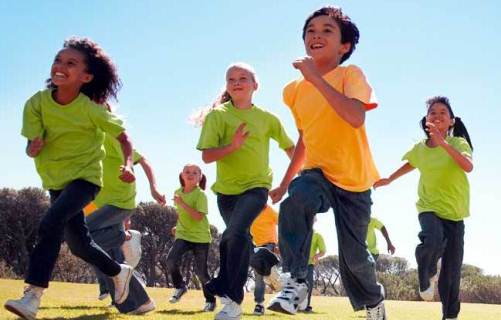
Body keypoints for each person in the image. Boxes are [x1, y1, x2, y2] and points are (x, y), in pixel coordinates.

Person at [267, 6, 387, 319]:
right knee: (297, 199)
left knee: (355, 257)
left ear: (343, 46)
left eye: (327, 30)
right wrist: (283, 182)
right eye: (311, 30)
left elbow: (355, 117)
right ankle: (295, 281)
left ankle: (374, 302)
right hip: (317, 173)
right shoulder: (292, 91)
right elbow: (305, 138)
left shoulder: (350, 74)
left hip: (354, 181)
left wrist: (317, 80)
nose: (316, 35)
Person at [5, 37, 135, 320]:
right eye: (58, 60)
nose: (60, 66)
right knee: (79, 245)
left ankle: (32, 295)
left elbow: (123, 138)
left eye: (71, 63)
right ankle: (118, 272)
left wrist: (129, 165)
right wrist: (32, 147)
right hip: (56, 181)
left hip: (86, 179)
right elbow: (30, 145)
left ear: (86, 77)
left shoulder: (91, 109)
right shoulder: (36, 104)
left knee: (50, 223)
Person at [197, 62, 294, 320]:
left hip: (257, 188)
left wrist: (286, 183)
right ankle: (266, 265)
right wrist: (233, 145)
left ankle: (231, 298)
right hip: (226, 194)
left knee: (234, 233)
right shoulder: (218, 116)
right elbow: (207, 156)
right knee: (238, 241)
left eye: (243, 78)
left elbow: (291, 149)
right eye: (231, 79)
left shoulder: (267, 119)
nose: (236, 82)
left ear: (255, 85)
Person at [374, 96, 473, 320]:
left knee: (451, 273)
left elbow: (468, 166)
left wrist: (444, 143)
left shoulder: (459, 143)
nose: (437, 116)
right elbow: (411, 163)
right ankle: (426, 272)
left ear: (451, 121)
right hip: (429, 207)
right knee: (433, 238)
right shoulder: (420, 149)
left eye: (443, 113)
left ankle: (450, 315)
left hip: (455, 216)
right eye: (433, 113)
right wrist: (389, 179)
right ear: (426, 120)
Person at [83, 114, 165, 314]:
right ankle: (139, 303)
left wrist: (154, 188)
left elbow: (142, 159)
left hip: (119, 203)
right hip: (104, 204)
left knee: (82, 236)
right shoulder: (88, 140)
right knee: (104, 256)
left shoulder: (109, 136)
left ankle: (123, 238)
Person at [165, 164, 216, 312]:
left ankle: (210, 300)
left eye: (195, 173)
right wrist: (177, 225)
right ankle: (180, 287)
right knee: (171, 260)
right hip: (183, 234)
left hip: (200, 238)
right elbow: (181, 213)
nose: (190, 174)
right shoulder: (177, 192)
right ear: (182, 175)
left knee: (201, 273)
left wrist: (181, 203)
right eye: (187, 172)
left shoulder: (201, 195)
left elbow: (199, 217)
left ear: (200, 177)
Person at [249, 204, 280, 316]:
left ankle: (260, 304)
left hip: (269, 245)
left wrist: (279, 243)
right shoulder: (250, 211)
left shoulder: (269, 210)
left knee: (259, 274)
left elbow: (282, 224)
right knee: (261, 274)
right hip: (255, 247)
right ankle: (274, 285)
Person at [298, 228, 326, 313]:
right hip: (296, 264)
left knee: (308, 285)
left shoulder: (317, 235)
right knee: (296, 284)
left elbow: (323, 251)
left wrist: (316, 256)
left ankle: (306, 305)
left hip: (309, 264)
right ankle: (295, 305)